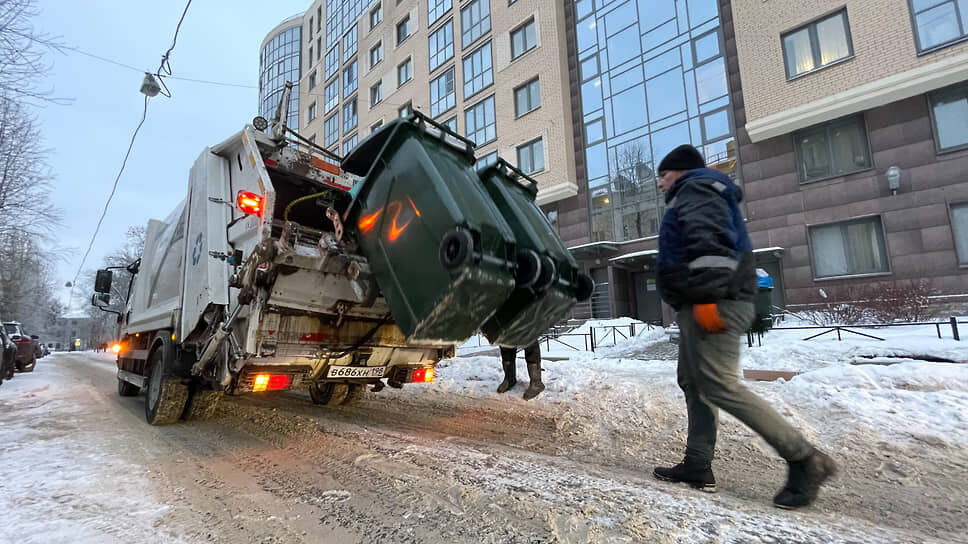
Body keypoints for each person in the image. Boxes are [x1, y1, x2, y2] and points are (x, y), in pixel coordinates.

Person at [651, 144, 837, 509]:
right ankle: (697, 464)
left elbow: (710, 243)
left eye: (663, 176)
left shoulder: (698, 188)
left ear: (680, 171)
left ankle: (805, 459)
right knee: (694, 381)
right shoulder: (697, 191)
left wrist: (704, 298)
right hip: (698, 303)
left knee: (719, 385)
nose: (659, 184)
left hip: (712, 302)